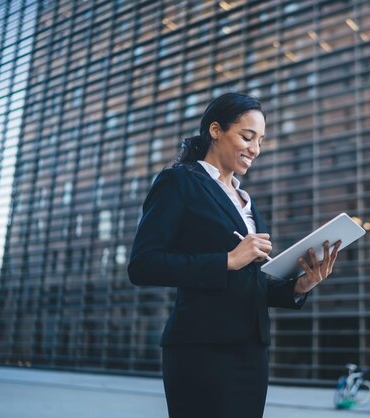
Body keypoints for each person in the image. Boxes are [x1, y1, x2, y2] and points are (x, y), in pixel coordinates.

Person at [127, 92, 341, 418]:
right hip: (201, 348)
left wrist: (301, 285)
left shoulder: (246, 200)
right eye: (247, 136)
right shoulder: (179, 181)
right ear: (215, 130)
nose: (255, 149)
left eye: (261, 140)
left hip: (252, 351)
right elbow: (143, 265)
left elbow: (250, 281)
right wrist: (227, 260)